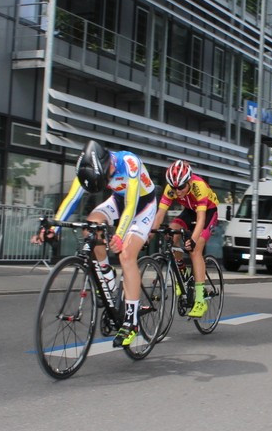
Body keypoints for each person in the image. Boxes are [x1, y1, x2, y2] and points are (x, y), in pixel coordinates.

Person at [50, 139, 158, 347]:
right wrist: (52, 228)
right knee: (90, 226)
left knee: (126, 254)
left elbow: (131, 204)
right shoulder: (86, 166)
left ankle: (131, 321)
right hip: (118, 200)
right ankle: (107, 276)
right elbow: (72, 200)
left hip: (142, 206)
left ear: (108, 166)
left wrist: (119, 235)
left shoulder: (129, 163)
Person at [151, 160, 218, 318]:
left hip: (208, 212)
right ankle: (182, 271)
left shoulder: (198, 186)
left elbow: (201, 219)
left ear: (188, 181)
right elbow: (160, 214)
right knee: (171, 232)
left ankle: (201, 300)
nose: (177, 191)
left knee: (195, 250)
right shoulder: (172, 188)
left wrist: (193, 239)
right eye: (174, 187)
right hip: (189, 210)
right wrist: (149, 235)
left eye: (181, 187)